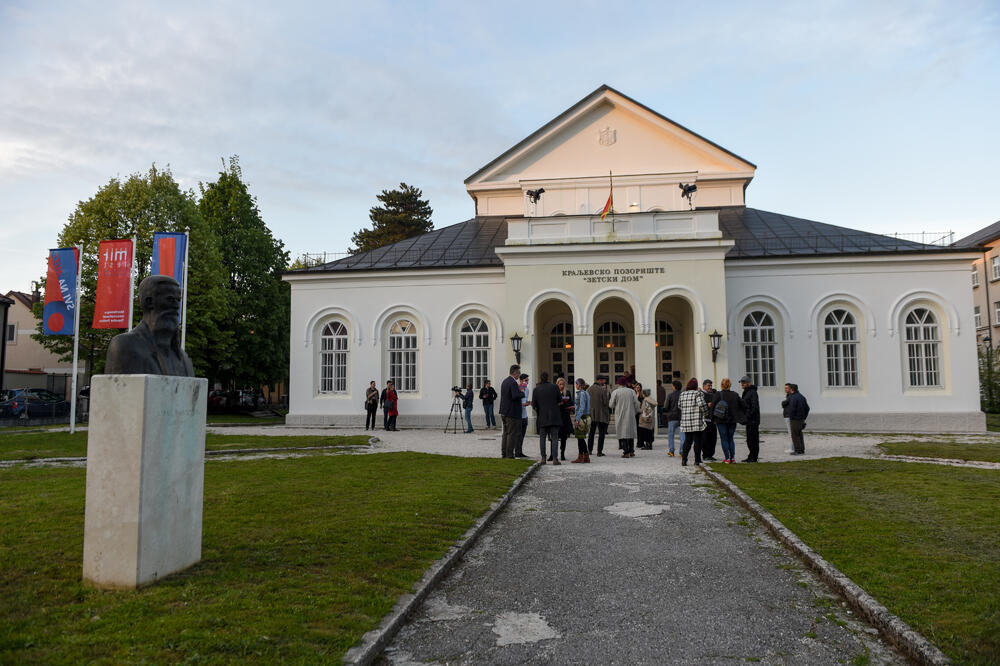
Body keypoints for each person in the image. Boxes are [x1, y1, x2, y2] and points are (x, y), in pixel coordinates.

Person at [104, 275, 193, 376]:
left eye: (178, 300)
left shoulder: (184, 360)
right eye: (170, 299)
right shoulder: (125, 346)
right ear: (149, 302)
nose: (177, 306)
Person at [712, 378, 745, 463]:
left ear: (722, 385)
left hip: (720, 420)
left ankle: (727, 458)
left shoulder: (718, 394)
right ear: (730, 385)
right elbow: (743, 405)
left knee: (724, 439)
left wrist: (713, 419)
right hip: (732, 420)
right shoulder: (735, 394)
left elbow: (712, 407)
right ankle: (732, 458)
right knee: (731, 438)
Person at [532, 372, 562, 464]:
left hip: (542, 416)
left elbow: (534, 405)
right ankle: (555, 458)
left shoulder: (536, 389)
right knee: (555, 438)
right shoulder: (554, 387)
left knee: (542, 438)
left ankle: (543, 458)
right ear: (548, 378)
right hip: (554, 416)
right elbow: (559, 401)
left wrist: (539, 411)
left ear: (540, 378)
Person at [679, 378, 707, 466]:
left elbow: (679, 405)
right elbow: (702, 404)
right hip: (696, 421)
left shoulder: (682, 394)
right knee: (697, 441)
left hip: (686, 422)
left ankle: (684, 459)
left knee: (687, 441)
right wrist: (706, 413)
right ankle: (697, 460)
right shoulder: (698, 393)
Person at [609, 377, 640, 458]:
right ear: (625, 384)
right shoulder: (631, 391)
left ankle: (626, 452)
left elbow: (611, 405)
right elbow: (637, 403)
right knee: (630, 433)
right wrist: (636, 411)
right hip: (630, 414)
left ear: (618, 384)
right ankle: (631, 451)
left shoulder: (615, 392)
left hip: (620, 414)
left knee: (622, 433)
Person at [498, 364, 523, 459]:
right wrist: (522, 393)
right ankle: (509, 454)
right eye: (519, 373)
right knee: (511, 434)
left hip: (504, 411)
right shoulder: (513, 383)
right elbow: (515, 396)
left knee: (505, 433)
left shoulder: (505, 381)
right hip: (511, 412)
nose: (519, 375)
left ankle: (504, 453)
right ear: (515, 373)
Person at [587, 376, 610, 456]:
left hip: (592, 413)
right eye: (604, 380)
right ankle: (599, 451)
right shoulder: (602, 389)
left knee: (591, 433)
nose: (604, 382)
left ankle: (589, 450)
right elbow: (606, 403)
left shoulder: (589, 389)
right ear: (600, 380)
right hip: (601, 414)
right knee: (601, 433)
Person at [739, 375, 761, 462]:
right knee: (749, 439)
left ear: (748, 383)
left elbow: (754, 407)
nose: (742, 384)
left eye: (743, 383)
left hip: (753, 420)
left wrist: (747, 416)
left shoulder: (752, 392)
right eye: (741, 383)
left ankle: (753, 457)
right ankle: (751, 455)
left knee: (753, 439)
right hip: (749, 420)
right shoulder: (747, 392)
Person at [785, 383, 810, 455]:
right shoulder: (802, 397)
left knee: (795, 435)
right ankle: (802, 449)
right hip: (801, 419)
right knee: (800, 435)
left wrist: (791, 417)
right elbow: (807, 408)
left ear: (791, 389)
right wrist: (804, 417)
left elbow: (792, 409)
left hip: (795, 419)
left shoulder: (793, 397)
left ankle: (798, 450)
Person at [572, 378, 591, 463]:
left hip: (582, 417)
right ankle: (586, 456)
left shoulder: (581, 394)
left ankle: (581, 457)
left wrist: (577, 418)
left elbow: (582, 407)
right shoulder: (586, 393)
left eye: (576, 384)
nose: (575, 385)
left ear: (579, 385)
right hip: (586, 417)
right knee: (581, 438)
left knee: (580, 438)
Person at [556, 377, 574, 461]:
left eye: (563, 384)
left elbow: (571, 402)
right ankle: (553, 454)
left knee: (564, 437)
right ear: (557, 385)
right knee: (555, 436)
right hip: (557, 416)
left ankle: (562, 453)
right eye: (560, 384)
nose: (562, 386)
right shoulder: (555, 392)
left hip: (565, 416)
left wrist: (568, 404)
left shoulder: (567, 392)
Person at [700, 379, 719, 461]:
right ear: (704, 386)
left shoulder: (713, 394)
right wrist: (707, 405)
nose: (710, 387)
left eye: (711, 385)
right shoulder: (701, 394)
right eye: (708, 386)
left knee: (713, 438)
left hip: (713, 419)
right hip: (705, 419)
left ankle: (711, 454)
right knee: (705, 438)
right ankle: (705, 455)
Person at [636, 383, 657, 450]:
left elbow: (643, 410)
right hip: (650, 418)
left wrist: (637, 410)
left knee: (646, 432)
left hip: (645, 419)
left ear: (644, 394)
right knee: (650, 432)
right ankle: (649, 445)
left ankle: (648, 445)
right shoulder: (651, 399)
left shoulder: (645, 400)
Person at [664, 380, 682, 456]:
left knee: (671, 435)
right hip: (681, 417)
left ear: (674, 386)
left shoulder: (670, 395)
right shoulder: (683, 395)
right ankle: (682, 451)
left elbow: (666, 407)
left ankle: (671, 451)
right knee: (682, 436)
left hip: (672, 417)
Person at [516, 373, 531, 458]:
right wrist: (524, 404)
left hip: (524, 415)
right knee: (518, 435)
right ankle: (517, 451)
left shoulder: (527, 389)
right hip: (518, 415)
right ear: (521, 381)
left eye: (527, 380)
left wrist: (528, 403)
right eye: (525, 381)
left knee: (522, 434)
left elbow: (524, 400)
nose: (527, 382)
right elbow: (518, 401)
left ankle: (520, 451)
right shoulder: (518, 388)